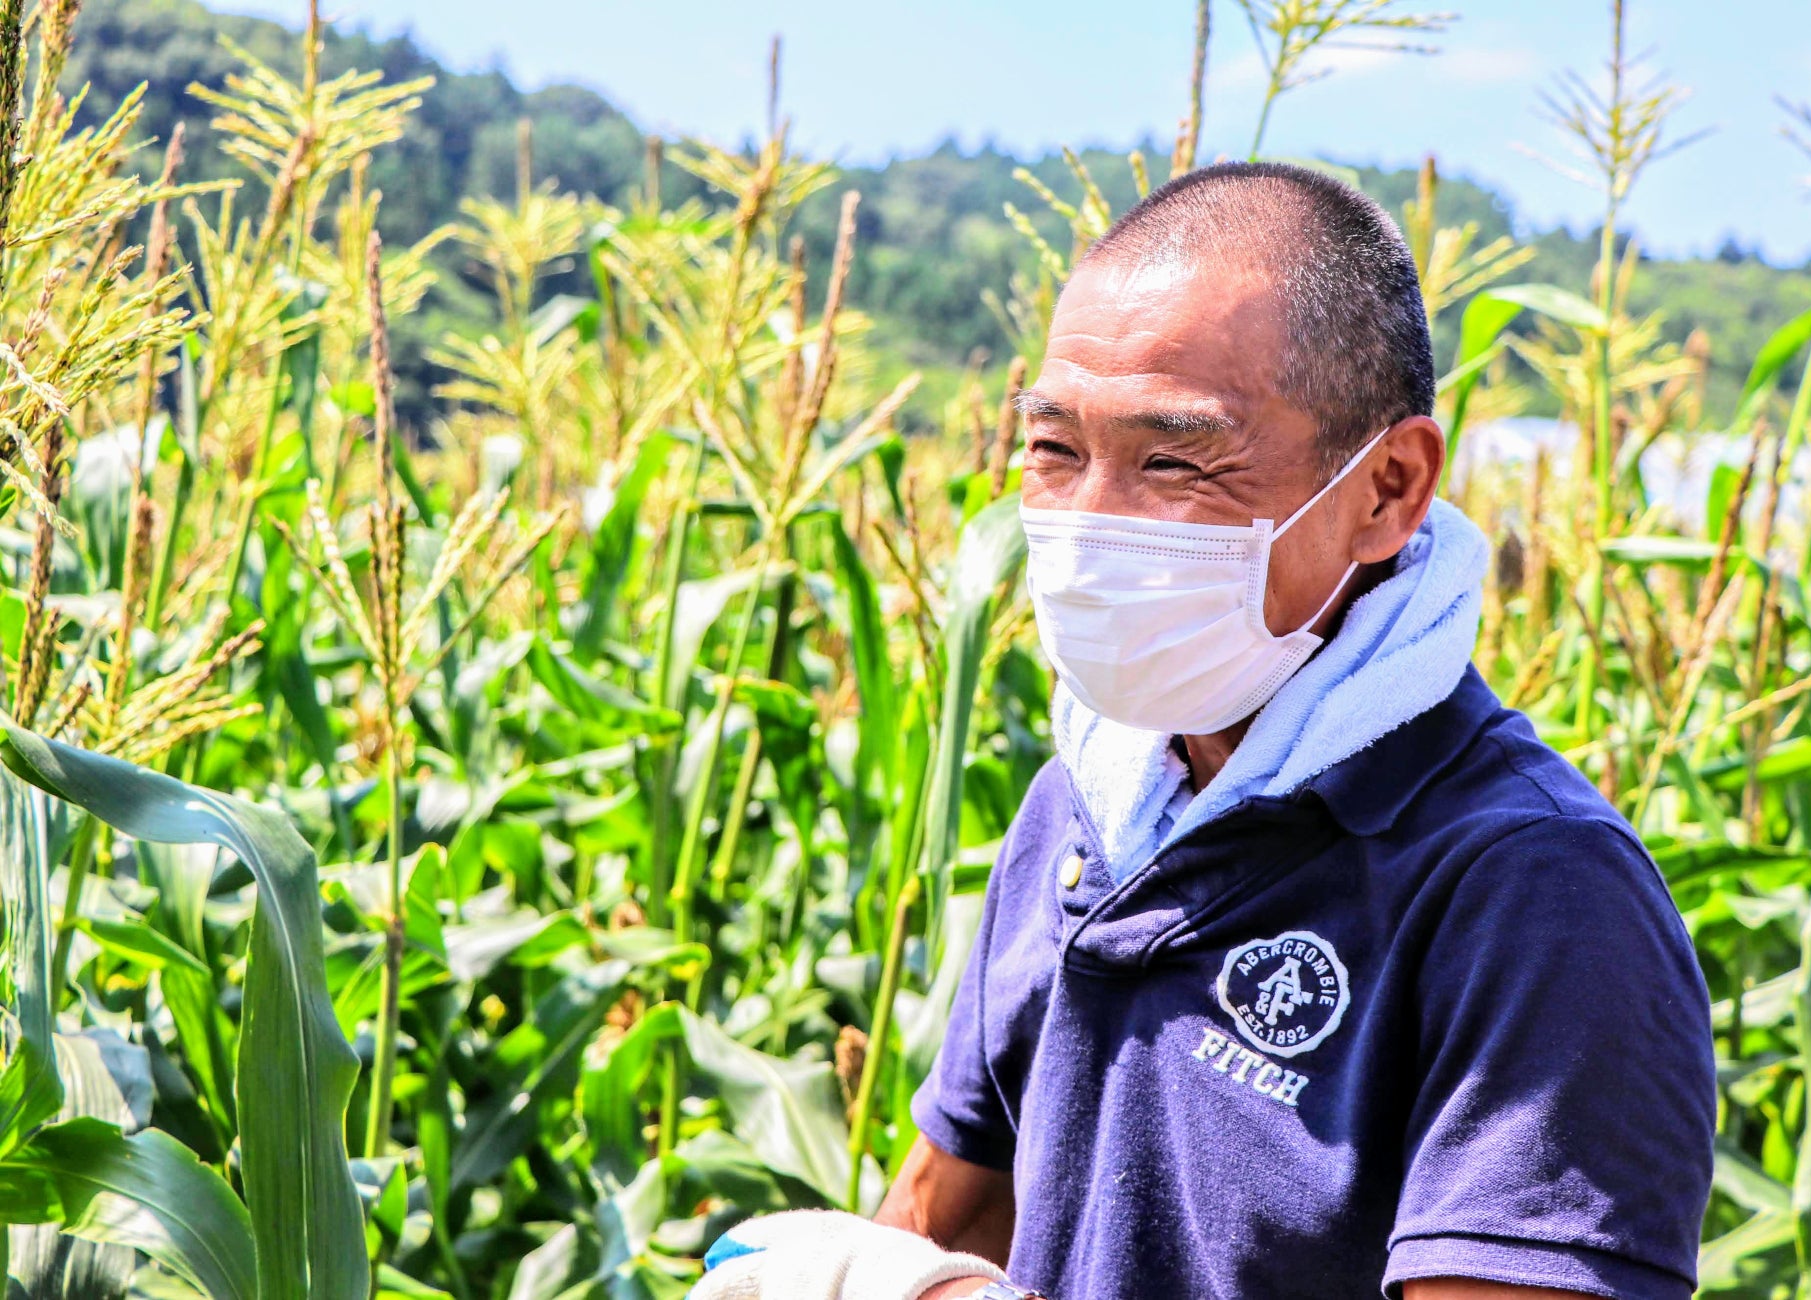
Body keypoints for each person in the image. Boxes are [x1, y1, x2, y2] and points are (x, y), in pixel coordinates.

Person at [691, 161, 1716, 1300]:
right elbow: (955, 1205)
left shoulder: (1535, 891)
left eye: (1173, 460)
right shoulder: (1085, 802)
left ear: (1387, 487)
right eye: (1054, 450)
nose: (1086, 527)